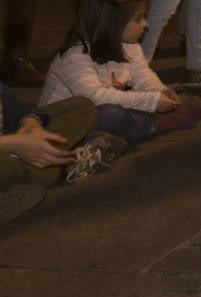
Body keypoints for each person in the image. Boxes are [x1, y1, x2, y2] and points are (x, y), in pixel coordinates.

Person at [40, 0, 201, 142]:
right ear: (113, 23)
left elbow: (141, 74)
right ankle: (155, 123)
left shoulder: (130, 46)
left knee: (119, 109)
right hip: (60, 123)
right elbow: (94, 99)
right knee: (110, 114)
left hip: (97, 113)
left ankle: (97, 142)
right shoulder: (75, 57)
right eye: (138, 19)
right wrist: (149, 101)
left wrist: (158, 90)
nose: (145, 25)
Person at [1, 82, 126, 222]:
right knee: (9, 166)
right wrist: (11, 144)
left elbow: (7, 100)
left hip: (10, 139)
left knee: (80, 105)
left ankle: (50, 160)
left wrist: (30, 121)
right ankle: (65, 161)